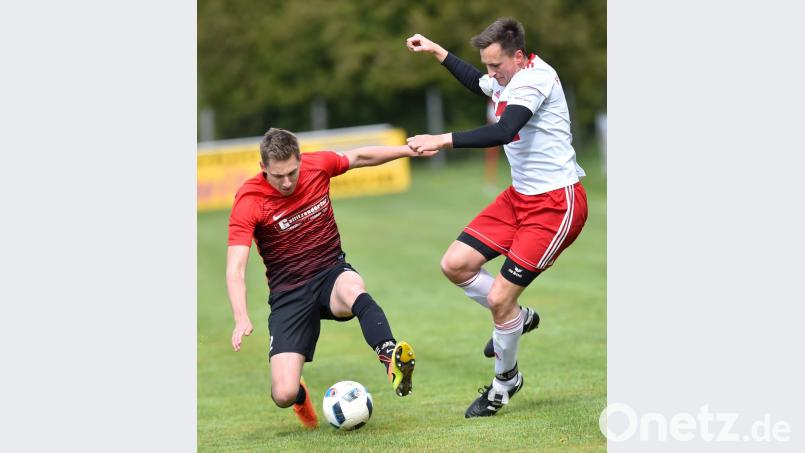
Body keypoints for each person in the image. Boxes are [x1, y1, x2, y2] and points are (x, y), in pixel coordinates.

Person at [405, 18, 588, 418]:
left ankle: (505, 384)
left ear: (519, 57)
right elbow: (479, 83)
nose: (491, 74)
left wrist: (441, 139)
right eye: (487, 65)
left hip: (556, 205)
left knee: (498, 299)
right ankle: (517, 319)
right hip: (518, 198)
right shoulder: (508, 77)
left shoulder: (535, 80)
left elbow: (505, 130)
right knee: (454, 264)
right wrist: (438, 51)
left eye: (496, 66)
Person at [226, 128, 432, 429]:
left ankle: (389, 356)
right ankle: (300, 395)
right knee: (282, 393)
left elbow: (360, 156)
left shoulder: (317, 165)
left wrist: (408, 151)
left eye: (292, 173)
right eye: (277, 175)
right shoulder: (249, 200)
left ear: (300, 160)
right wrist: (240, 316)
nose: (286, 182)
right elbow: (236, 268)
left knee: (354, 288)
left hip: (329, 273)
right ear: (263, 169)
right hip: (289, 294)